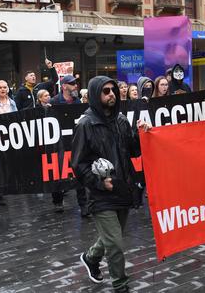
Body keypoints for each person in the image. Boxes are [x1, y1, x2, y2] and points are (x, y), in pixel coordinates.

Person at [73, 76, 150, 293]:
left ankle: (90, 258)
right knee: (115, 244)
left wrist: (141, 133)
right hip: (101, 195)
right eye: (106, 91)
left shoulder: (122, 121)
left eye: (113, 90)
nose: (111, 94)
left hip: (123, 190)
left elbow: (134, 150)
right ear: (96, 94)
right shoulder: (86, 125)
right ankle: (121, 285)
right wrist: (98, 182)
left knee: (111, 237)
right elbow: (78, 164)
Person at [49, 75, 87, 215]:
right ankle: (57, 201)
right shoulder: (53, 101)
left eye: (75, 83)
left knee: (79, 171)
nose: (75, 86)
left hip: (75, 142)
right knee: (58, 171)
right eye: (71, 84)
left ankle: (83, 204)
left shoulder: (77, 101)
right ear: (64, 86)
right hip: (59, 143)